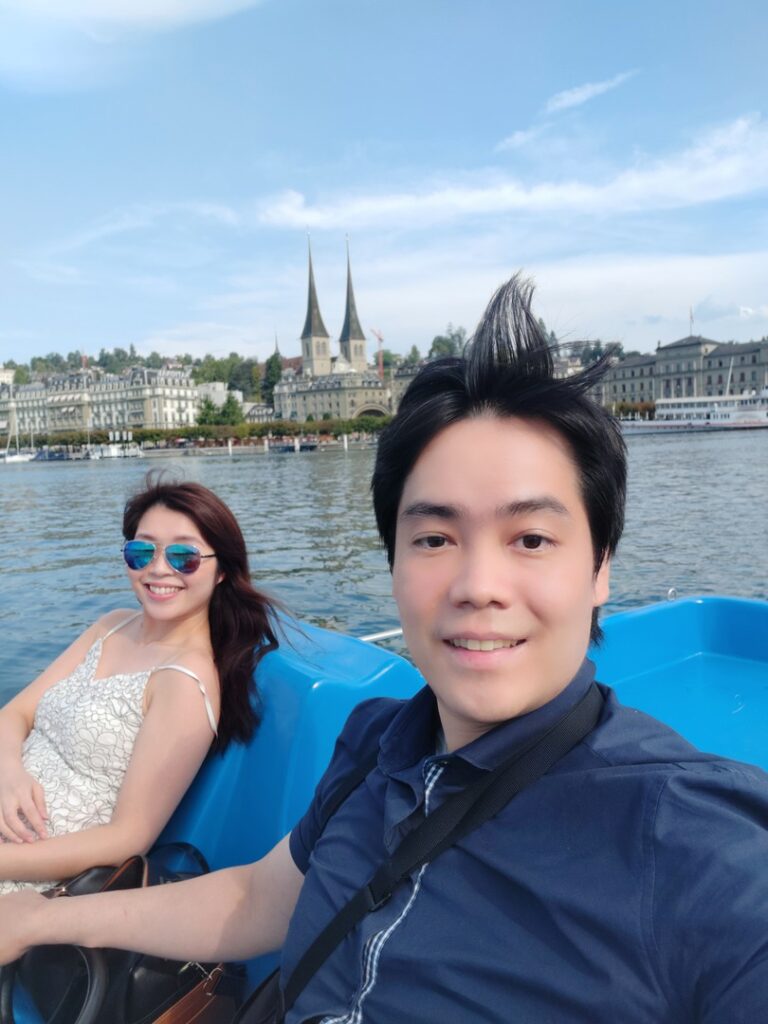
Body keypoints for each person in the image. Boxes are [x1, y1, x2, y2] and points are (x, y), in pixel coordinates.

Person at [1, 276, 767, 1022]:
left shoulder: (691, 841)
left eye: (530, 538)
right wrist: (41, 922)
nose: (478, 584)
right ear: (393, 561)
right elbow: (256, 901)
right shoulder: (378, 741)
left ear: (601, 568)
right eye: (435, 537)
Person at [0, 477, 277, 895]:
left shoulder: (184, 681)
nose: (159, 568)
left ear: (221, 570)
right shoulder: (111, 626)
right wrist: (9, 770)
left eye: (184, 556)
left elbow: (128, 838)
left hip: (32, 869)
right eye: (142, 551)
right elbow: (15, 713)